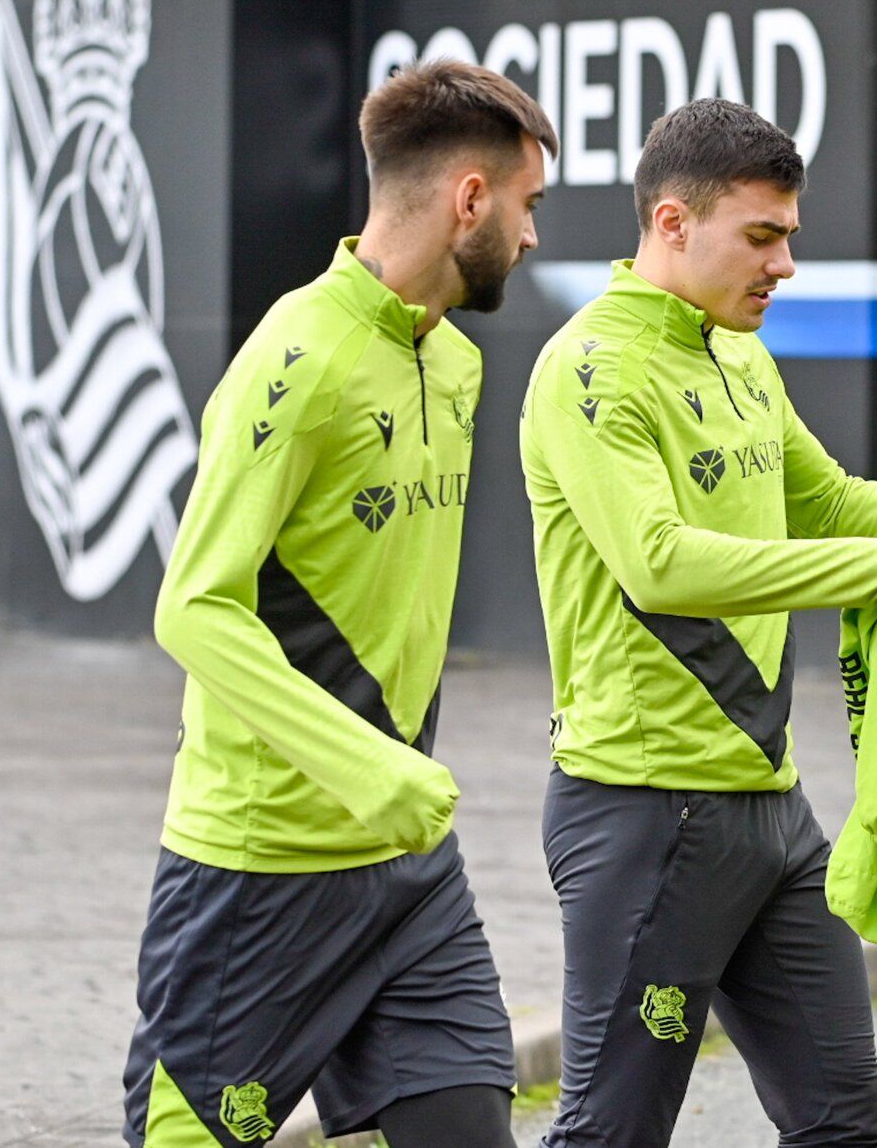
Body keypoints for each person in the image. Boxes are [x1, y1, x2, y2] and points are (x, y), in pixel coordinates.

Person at [518, 96, 877, 1147]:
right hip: (643, 811)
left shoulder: (739, 354)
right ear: (670, 222)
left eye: (788, 234)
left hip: (768, 813)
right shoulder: (588, 370)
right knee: (609, 1134)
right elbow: (659, 564)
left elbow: (830, 505)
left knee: (843, 1118)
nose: (784, 263)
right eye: (761, 235)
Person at [121, 60, 556, 1148]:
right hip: (255, 871)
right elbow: (193, 606)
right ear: (469, 198)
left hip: (409, 877)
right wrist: (373, 768)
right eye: (527, 204)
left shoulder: (452, 364)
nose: (533, 236)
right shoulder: (296, 357)